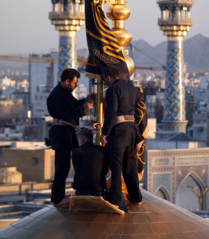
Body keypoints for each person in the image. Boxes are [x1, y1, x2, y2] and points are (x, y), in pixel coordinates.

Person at [47, 68, 93, 207]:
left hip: (67, 133)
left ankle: (61, 194)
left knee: (73, 162)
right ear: (67, 81)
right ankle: (57, 197)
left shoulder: (64, 93)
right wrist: (84, 108)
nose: (76, 85)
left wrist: (86, 100)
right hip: (62, 134)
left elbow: (74, 105)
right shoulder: (57, 96)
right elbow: (69, 114)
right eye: (74, 83)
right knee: (62, 166)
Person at [100, 66, 142, 207]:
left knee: (116, 166)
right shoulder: (132, 88)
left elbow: (111, 112)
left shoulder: (113, 89)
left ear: (109, 77)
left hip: (118, 132)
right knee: (130, 166)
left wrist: (104, 133)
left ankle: (115, 200)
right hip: (131, 131)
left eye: (106, 80)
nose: (106, 82)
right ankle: (136, 197)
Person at [72, 127, 108, 197]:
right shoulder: (103, 150)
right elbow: (105, 171)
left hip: (81, 191)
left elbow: (78, 169)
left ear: (82, 139)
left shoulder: (76, 151)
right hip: (99, 191)